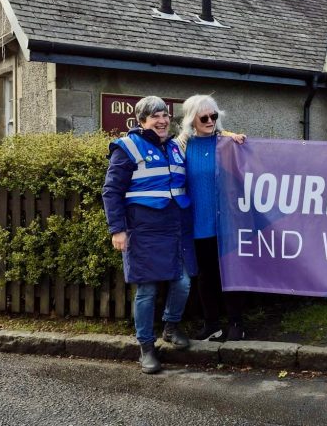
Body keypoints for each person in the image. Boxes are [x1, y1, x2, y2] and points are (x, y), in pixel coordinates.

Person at [102, 96, 196, 374]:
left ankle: (170, 326)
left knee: (183, 282)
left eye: (165, 115)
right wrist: (117, 230)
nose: (162, 120)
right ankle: (146, 348)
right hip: (143, 231)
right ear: (142, 121)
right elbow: (111, 191)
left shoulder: (175, 147)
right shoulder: (128, 147)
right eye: (155, 116)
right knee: (147, 290)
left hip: (175, 228)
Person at [174, 95, 247, 342]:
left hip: (227, 223)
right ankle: (212, 324)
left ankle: (237, 323)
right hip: (198, 222)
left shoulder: (227, 143)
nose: (210, 121)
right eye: (203, 117)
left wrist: (234, 138)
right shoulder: (184, 145)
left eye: (213, 116)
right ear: (191, 120)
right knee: (206, 276)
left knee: (231, 273)